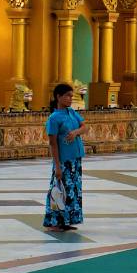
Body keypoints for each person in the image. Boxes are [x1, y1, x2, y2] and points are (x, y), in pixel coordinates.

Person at [44, 82, 84, 231]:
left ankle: (67, 220)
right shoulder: (54, 118)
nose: (70, 99)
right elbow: (53, 144)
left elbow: (85, 126)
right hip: (63, 160)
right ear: (58, 97)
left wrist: (75, 132)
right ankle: (54, 222)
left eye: (71, 96)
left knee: (72, 190)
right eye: (67, 96)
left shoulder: (71, 112)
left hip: (75, 158)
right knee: (59, 190)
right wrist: (57, 166)